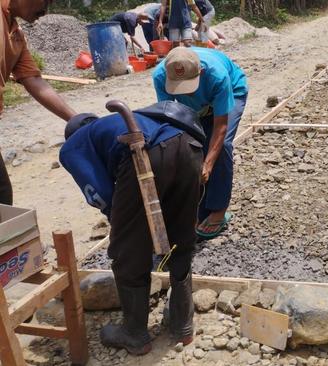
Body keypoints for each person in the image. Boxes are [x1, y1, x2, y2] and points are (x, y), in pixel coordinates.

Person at [59, 102, 203, 355]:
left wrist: (124, 223)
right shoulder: (112, 126)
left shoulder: (75, 144)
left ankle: (134, 333)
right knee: (181, 236)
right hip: (188, 147)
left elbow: (99, 193)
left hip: (147, 154)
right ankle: (183, 325)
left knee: (127, 252)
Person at [152, 47, 248, 240]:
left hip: (232, 93)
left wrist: (208, 164)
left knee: (222, 146)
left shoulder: (216, 75)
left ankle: (218, 210)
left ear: (200, 72)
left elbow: (220, 127)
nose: (185, 93)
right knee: (192, 145)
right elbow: (170, 117)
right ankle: (197, 205)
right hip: (198, 107)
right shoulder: (161, 75)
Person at [0, 0, 77, 205]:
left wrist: (77, 119)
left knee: (2, 197)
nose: (46, 11)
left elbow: (32, 79)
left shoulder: (15, 34)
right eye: (46, 1)